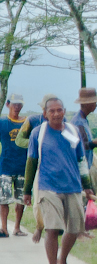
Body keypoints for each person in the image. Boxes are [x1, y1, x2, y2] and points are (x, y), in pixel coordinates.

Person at [23, 97, 96, 264]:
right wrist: (26, 191)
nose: (56, 114)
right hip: (48, 187)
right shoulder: (38, 134)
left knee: (74, 229)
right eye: (52, 111)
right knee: (52, 228)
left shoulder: (73, 131)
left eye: (59, 110)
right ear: (45, 114)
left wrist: (87, 186)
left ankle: (62, 260)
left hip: (72, 186)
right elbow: (31, 163)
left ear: (64, 111)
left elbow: (81, 161)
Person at [15, 93, 56, 243]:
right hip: (36, 163)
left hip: (55, 167)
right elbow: (19, 140)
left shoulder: (61, 123)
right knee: (39, 199)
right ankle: (39, 226)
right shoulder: (32, 121)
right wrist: (37, 144)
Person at [1, 94, 28, 237]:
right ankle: (4, 228)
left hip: (23, 166)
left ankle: (17, 227)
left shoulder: (27, 124)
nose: (17, 107)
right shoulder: (2, 123)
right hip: (5, 165)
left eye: (19, 104)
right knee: (3, 199)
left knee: (21, 199)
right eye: (14, 104)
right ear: (8, 104)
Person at [70, 88, 97, 167]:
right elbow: (82, 146)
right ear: (87, 104)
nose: (96, 105)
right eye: (94, 102)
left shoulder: (84, 119)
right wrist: (94, 142)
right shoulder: (78, 122)